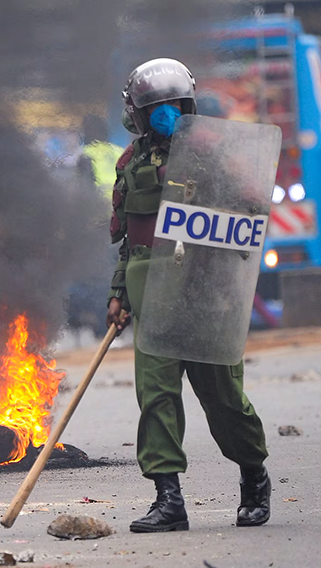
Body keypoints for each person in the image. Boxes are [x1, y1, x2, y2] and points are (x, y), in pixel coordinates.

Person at [105, 58, 271, 533]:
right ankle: (168, 498)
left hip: (207, 299)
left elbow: (249, 211)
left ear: (188, 105)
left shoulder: (214, 154)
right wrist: (120, 292)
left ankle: (254, 476)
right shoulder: (131, 162)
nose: (166, 115)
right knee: (155, 398)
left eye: (174, 105)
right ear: (136, 113)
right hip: (154, 300)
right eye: (155, 108)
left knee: (224, 399)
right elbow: (131, 238)